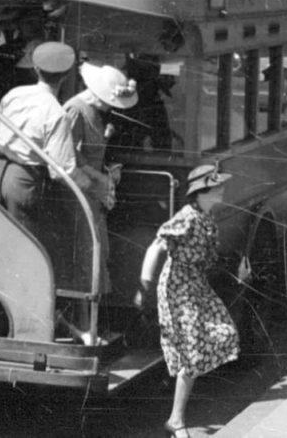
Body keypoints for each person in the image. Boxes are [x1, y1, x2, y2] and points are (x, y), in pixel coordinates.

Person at [0, 41, 95, 316]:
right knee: (32, 251)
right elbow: (62, 170)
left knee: (2, 245)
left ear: (35, 68)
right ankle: (29, 317)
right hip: (26, 180)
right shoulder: (55, 113)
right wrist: (93, 184)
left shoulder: (13, 95)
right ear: (68, 75)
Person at [136, 164, 242, 438]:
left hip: (196, 284)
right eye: (217, 186)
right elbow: (156, 246)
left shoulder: (206, 217)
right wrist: (145, 283)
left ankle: (176, 415)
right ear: (202, 191)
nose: (222, 189)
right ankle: (176, 420)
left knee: (224, 333)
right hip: (178, 287)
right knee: (192, 352)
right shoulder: (188, 217)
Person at [63, 62, 138, 303]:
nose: (111, 107)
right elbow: (70, 158)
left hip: (94, 191)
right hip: (79, 191)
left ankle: (92, 319)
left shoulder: (95, 112)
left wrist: (107, 172)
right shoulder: (75, 111)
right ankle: (84, 320)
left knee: (98, 252)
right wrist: (101, 178)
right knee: (87, 254)